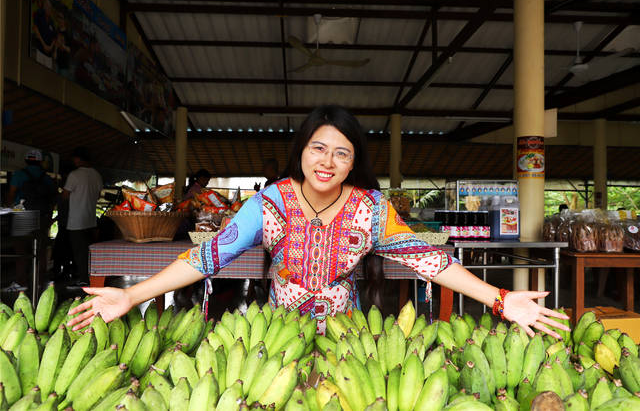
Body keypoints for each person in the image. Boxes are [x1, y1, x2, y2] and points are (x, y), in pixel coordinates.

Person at [68, 105, 568, 338]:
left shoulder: (372, 209)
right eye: (318, 148)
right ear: (302, 152)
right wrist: (131, 295)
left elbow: (430, 261)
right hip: (276, 335)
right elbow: (207, 257)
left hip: (348, 337)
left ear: (353, 164)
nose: (327, 161)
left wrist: (500, 298)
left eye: (341, 153)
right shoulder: (270, 204)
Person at [5, 149, 56, 289]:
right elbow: (52, 199)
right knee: (40, 251)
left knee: (21, 251)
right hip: (41, 216)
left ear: (25, 160)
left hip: (23, 215)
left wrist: (9, 207)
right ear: (40, 162)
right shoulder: (47, 178)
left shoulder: (19, 174)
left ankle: (21, 282)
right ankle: (39, 282)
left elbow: (11, 194)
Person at [63, 147, 103, 286]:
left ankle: (84, 280)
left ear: (78, 159)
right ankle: (91, 277)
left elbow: (65, 195)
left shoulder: (74, 175)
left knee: (79, 252)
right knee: (89, 251)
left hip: (76, 221)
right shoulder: (96, 175)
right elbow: (98, 195)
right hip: (90, 219)